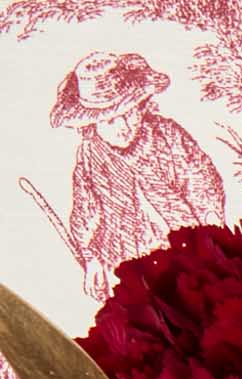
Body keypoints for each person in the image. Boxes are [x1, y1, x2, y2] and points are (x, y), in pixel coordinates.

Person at [50, 52, 225, 297]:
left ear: (141, 106)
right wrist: (92, 261)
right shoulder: (90, 154)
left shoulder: (167, 134)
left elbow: (202, 183)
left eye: (128, 114)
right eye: (110, 122)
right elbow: (85, 211)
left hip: (183, 250)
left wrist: (211, 236)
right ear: (92, 125)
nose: (123, 127)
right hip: (125, 259)